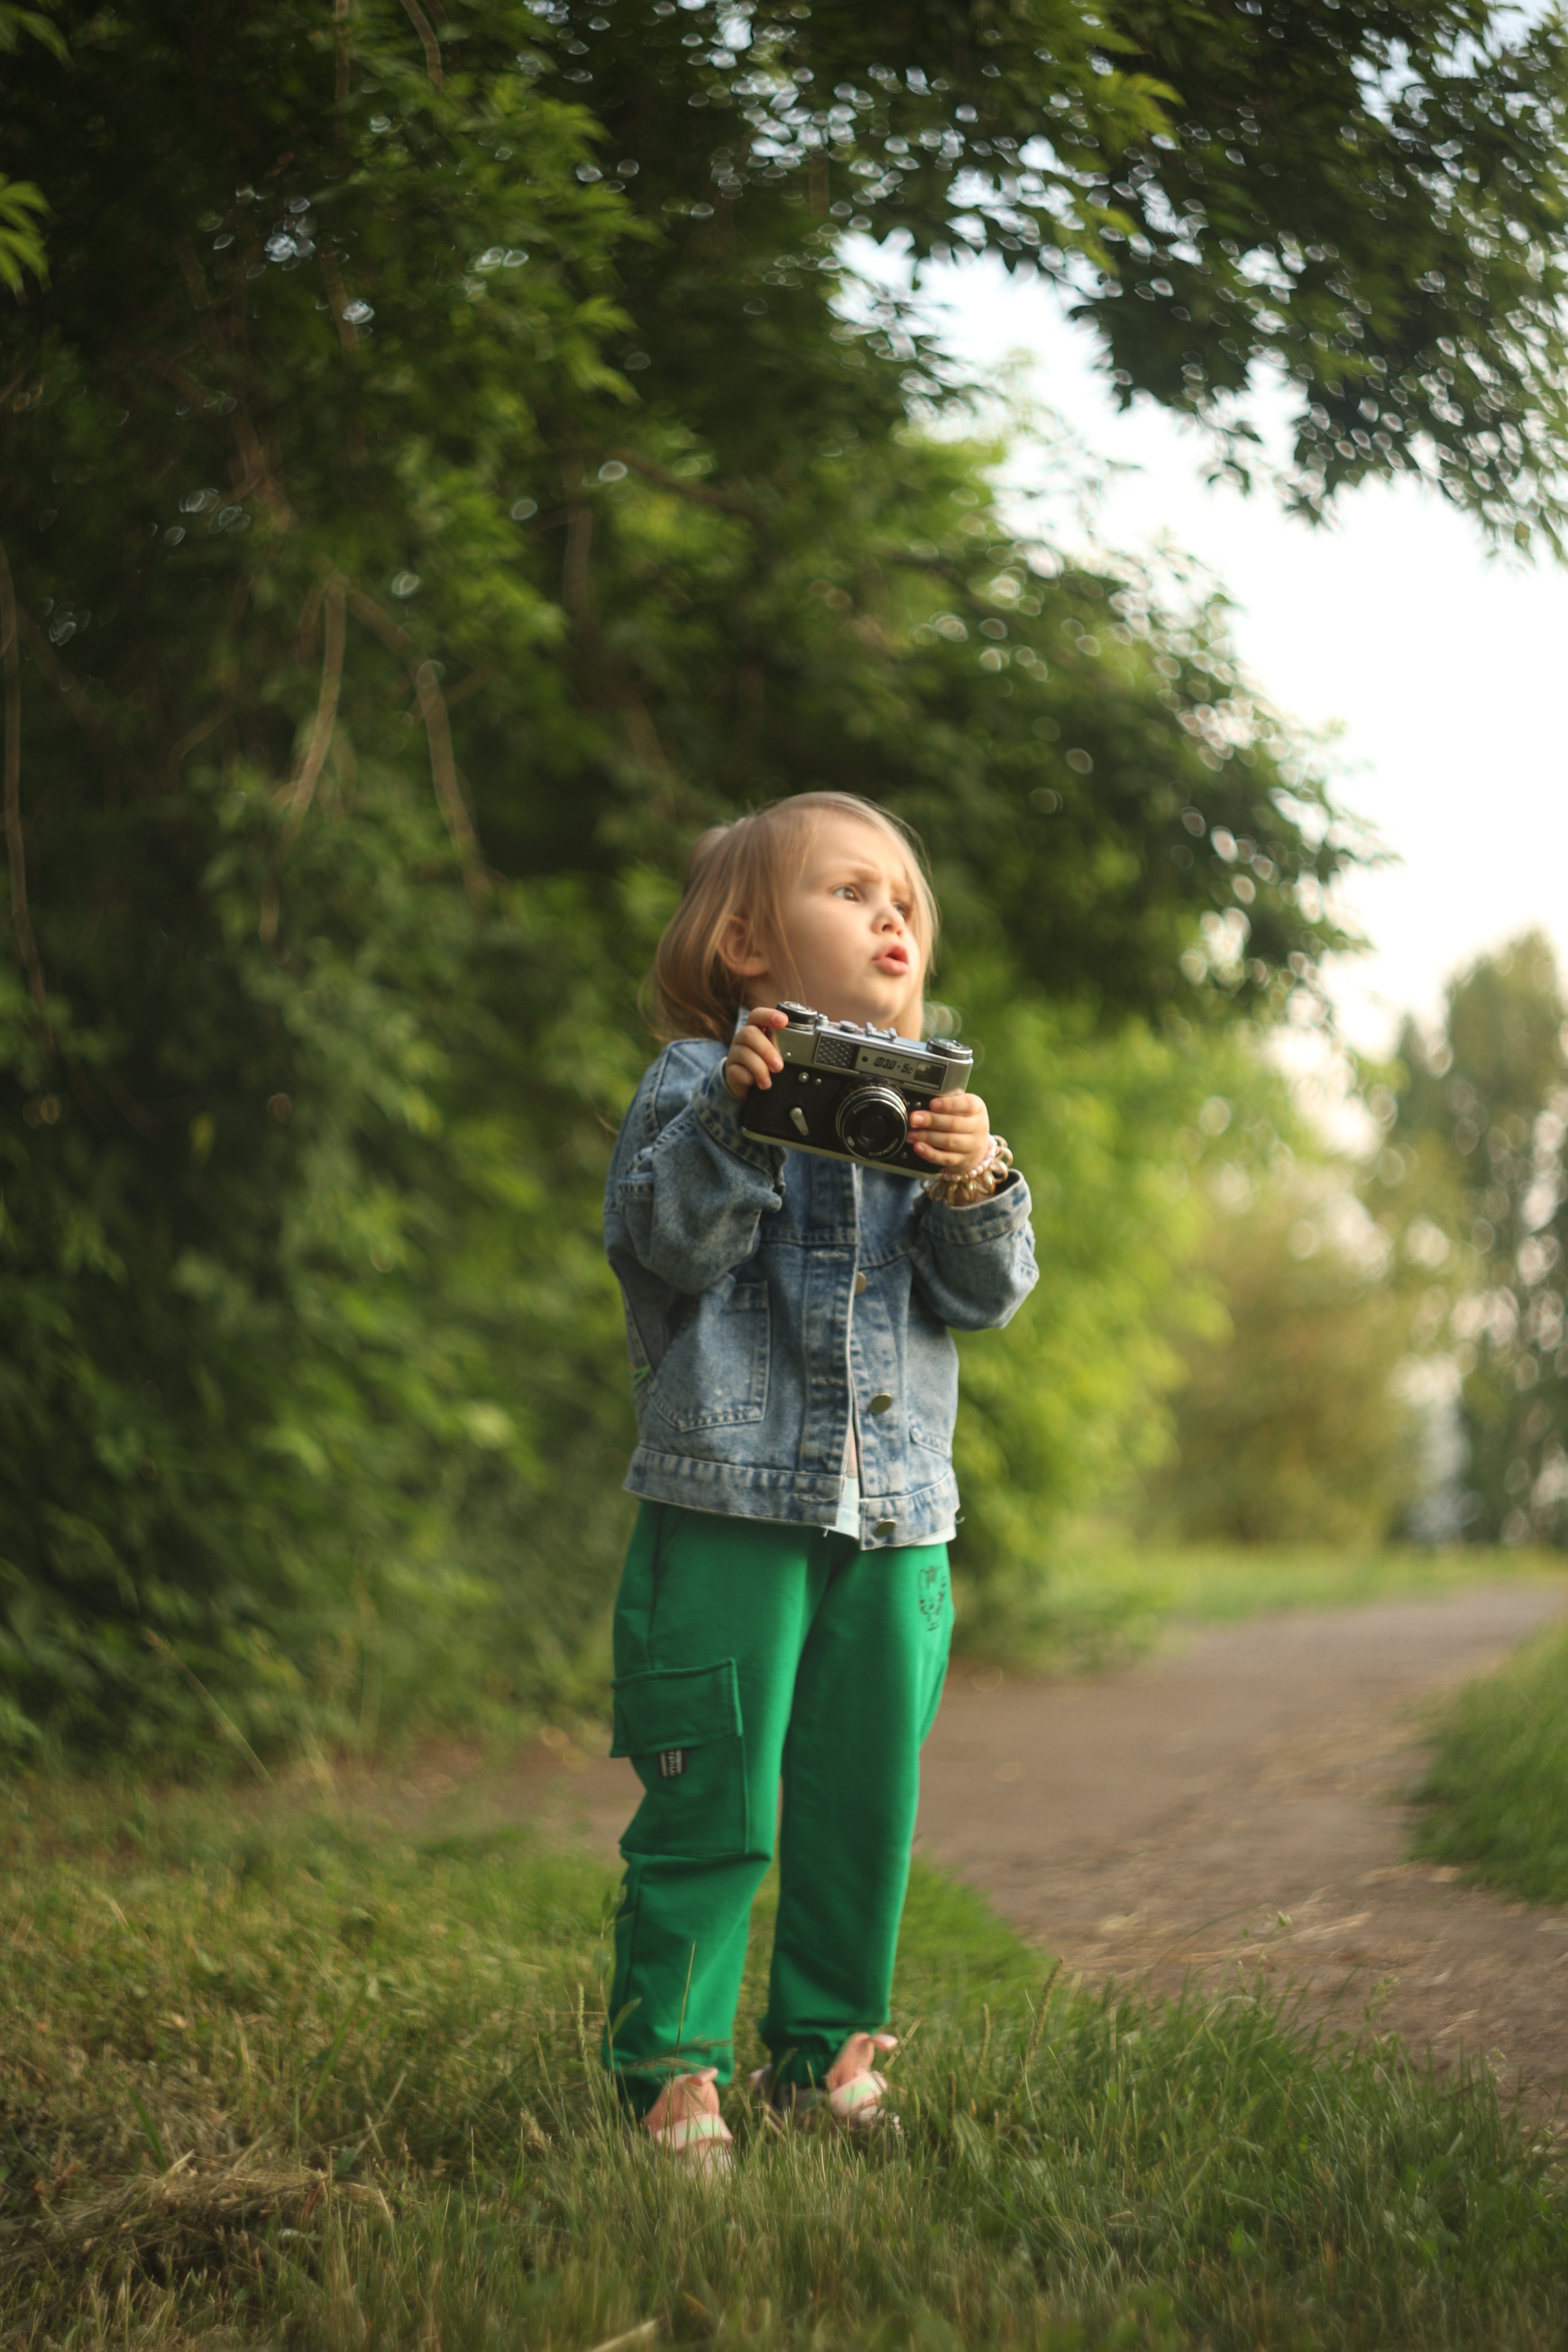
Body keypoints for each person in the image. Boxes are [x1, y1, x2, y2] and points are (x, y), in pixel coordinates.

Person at [601, 790, 1038, 2167]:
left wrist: (977, 1183)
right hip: (728, 1492)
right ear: (742, 941)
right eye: (849, 891)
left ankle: (824, 2050)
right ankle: (674, 2065)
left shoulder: (932, 1109)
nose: (891, 913)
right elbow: (663, 1243)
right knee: (714, 1794)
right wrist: (738, 1119)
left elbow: (988, 1299)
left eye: (903, 897)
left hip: (896, 1510)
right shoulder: (688, 1082)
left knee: (861, 1796)